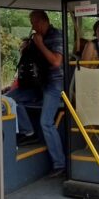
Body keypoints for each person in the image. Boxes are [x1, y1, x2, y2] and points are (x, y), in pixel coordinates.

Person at [7, 10, 66, 177]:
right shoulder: (36, 38)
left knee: (46, 122)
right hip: (36, 83)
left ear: (42, 22)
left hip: (54, 84)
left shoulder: (56, 36)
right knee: (9, 101)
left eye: (34, 23)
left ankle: (59, 163)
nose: (32, 27)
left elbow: (56, 62)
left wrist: (40, 45)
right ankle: (28, 132)